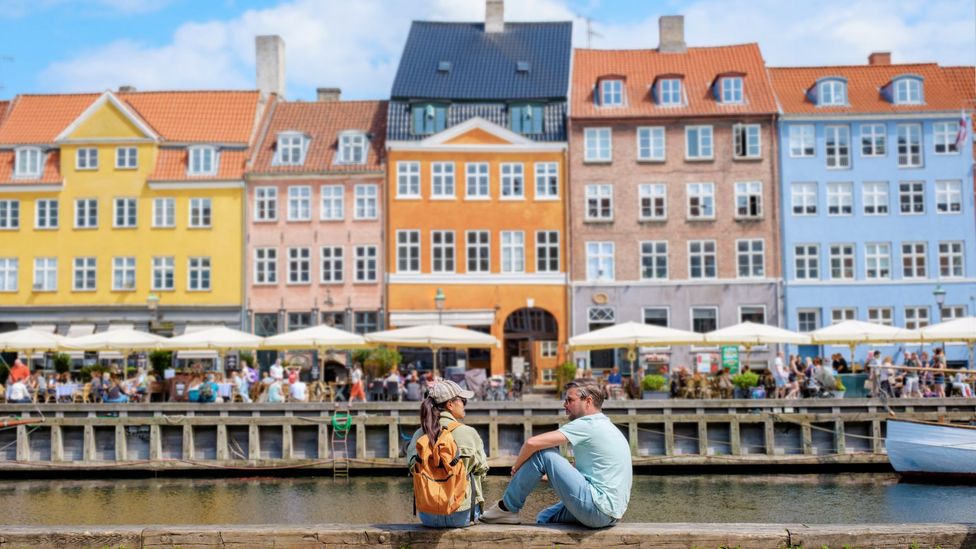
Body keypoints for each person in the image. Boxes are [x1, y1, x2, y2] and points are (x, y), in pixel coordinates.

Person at [480, 380, 632, 528]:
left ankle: (507, 508)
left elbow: (532, 443)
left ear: (588, 401)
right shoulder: (606, 425)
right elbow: (585, 469)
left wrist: (516, 467)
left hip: (598, 508)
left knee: (544, 453)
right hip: (612, 514)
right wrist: (544, 474)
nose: (564, 405)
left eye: (570, 400)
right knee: (545, 518)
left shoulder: (588, 423)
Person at [406, 380, 488, 528]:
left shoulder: (419, 434)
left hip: (428, 516)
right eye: (463, 401)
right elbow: (482, 470)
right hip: (462, 515)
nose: (464, 405)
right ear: (450, 404)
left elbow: (412, 468)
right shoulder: (469, 433)